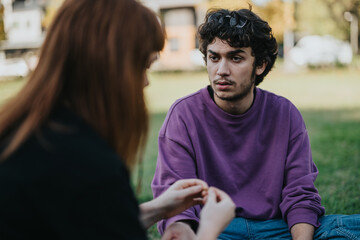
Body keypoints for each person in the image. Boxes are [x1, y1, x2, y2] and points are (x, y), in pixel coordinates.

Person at [0, 1, 236, 239]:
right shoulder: (87, 165)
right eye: (142, 66)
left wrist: (160, 207)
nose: (145, 82)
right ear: (107, 68)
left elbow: (89, 221)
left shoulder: (22, 135)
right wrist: (209, 228)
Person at [152, 8, 360, 240]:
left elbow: (300, 194)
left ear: (260, 65)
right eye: (214, 57)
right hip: (216, 230)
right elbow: (177, 204)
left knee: (347, 227)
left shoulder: (285, 113)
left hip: (276, 229)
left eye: (236, 58)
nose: (221, 70)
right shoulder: (183, 115)